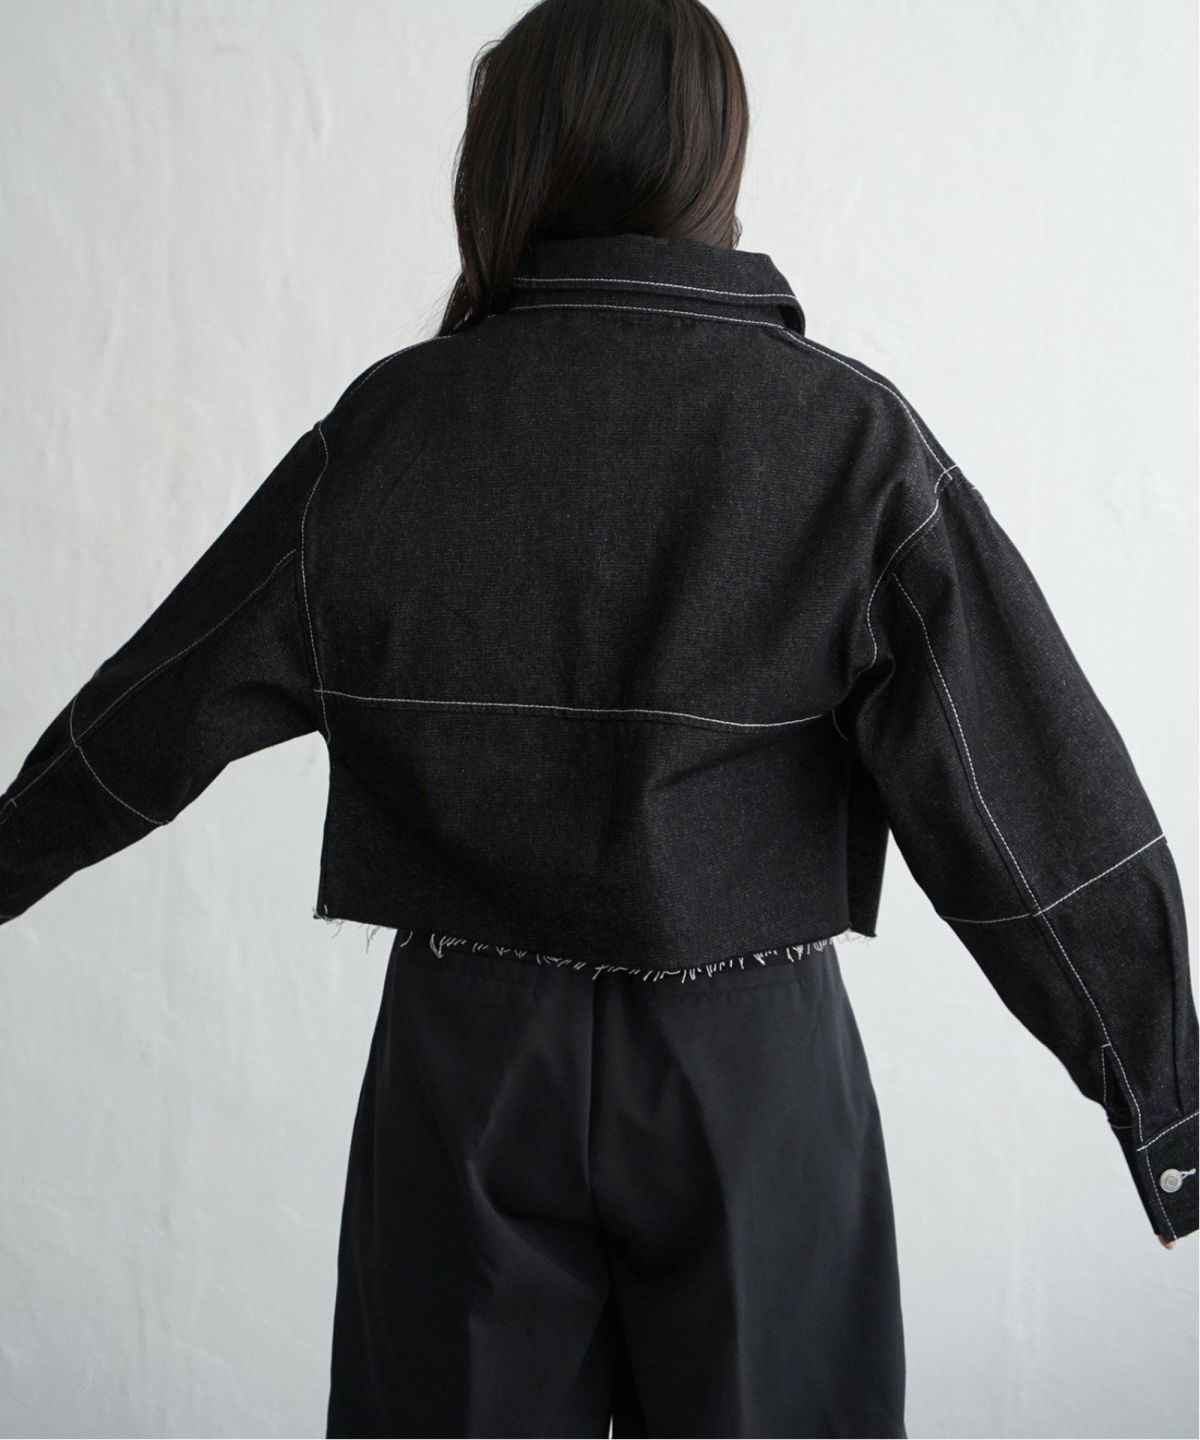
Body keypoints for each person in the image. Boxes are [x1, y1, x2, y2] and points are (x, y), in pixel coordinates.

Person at [1, 0, 1195, 1435]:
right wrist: (1169, 1103)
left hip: (466, 1063)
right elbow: (1032, 798)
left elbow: (152, 712)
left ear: (514, 155)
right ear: (713, 157)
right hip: (748, 1064)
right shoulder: (844, 440)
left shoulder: (391, 427)